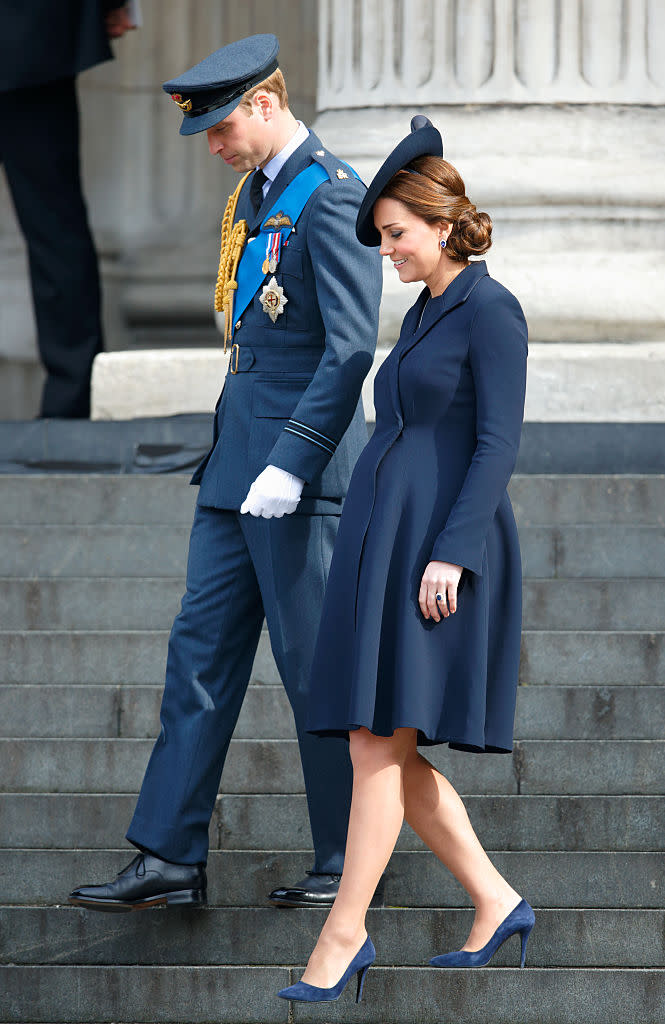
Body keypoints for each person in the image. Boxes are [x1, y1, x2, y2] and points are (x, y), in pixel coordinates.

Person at [68, 34, 382, 912]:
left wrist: (293, 462)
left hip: (296, 476)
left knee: (317, 669)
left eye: (217, 126)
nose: (211, 145)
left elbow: (351, 347)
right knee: (197, 658)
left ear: (264, 104)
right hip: (234, 471)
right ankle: (169, 853)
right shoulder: (257, 192)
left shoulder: (332, 194)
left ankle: (347, 860)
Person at [277, 117, 533, 1005]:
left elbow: (496, 444)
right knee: (372, 736)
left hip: (435, 546)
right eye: (383, 237)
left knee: (377, 741)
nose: (386, 252)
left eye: (395, 234)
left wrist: (450, 557)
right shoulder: (428, 308)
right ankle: (495, 901)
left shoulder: (490, 309)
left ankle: (342, 934)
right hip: (383, 538)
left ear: (439, 222)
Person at [0, 1, 136, 419]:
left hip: (30, 38)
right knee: (54, 223)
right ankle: (71, 399)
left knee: (54, 223)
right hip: (30, 34)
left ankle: (72, 397)